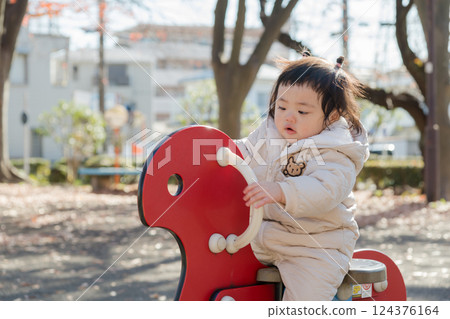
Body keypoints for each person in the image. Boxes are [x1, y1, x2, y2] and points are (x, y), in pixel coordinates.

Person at [236, 54, 369, 300]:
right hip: (263, 237)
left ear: (330, 118)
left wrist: (281, 191)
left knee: (305, 302)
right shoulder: (269, 132)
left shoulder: (335, 151)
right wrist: (222, 152)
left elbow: (325, 190)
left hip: (316, 247)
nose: (288, 116)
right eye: (282, 106)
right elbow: (242, 152)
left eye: (302, 111)